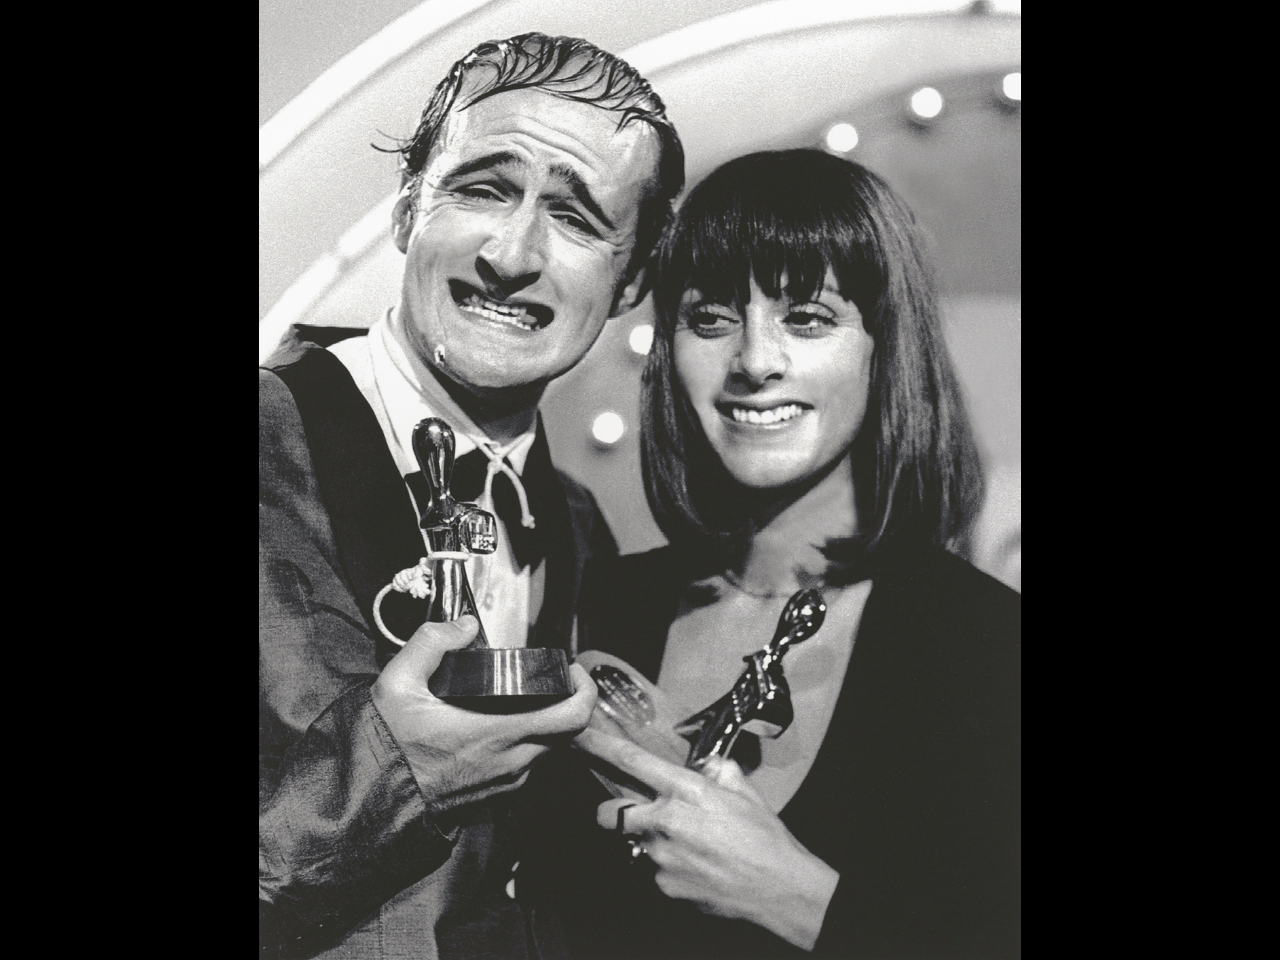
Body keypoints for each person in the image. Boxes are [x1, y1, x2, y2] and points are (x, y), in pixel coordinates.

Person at [521, 150, 1020, 958]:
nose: (755, 362)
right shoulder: (602, 601)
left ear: (883, 345)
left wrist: (798, 899)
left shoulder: (988, 648)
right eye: (711, 319)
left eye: (808, 319)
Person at [259, 34, 684, 958]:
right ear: (410, 208)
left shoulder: (576, 525)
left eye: (575, 217)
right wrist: (389, 780)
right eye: (482, 188)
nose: (511, 252)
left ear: (633, 281)